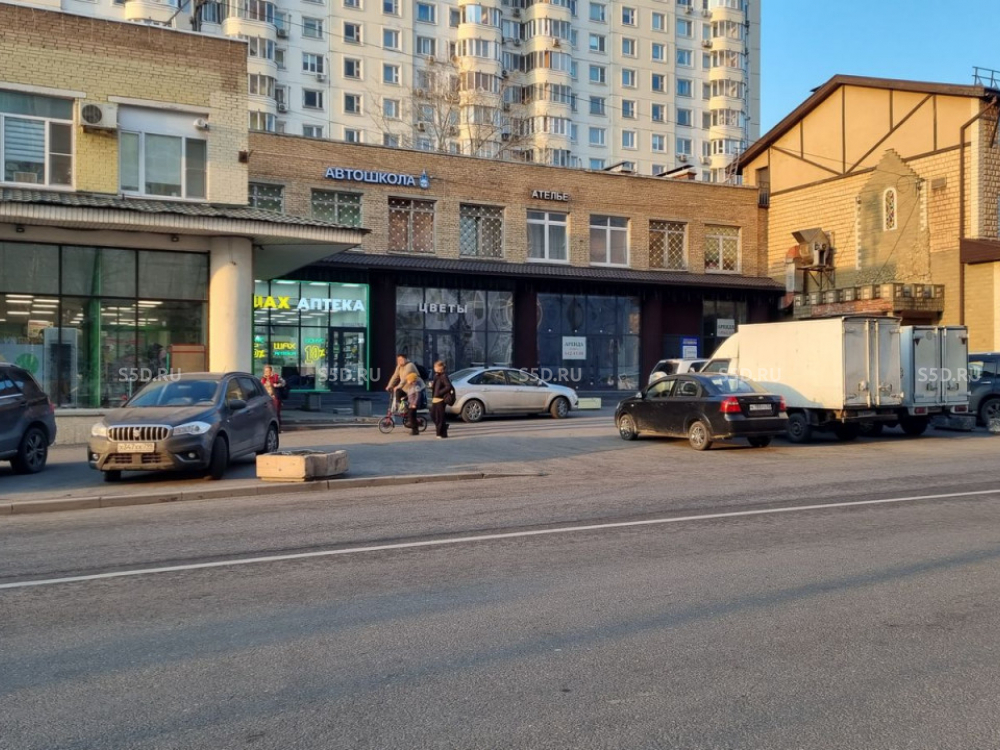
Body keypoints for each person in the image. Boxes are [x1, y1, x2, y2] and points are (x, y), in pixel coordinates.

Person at [430, 360, 453, 439]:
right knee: (433, 415)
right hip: (435, 398)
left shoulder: (444, 376)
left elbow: (448, 386)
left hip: (440, 399)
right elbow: (436, 386)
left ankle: (439, 433)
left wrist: (439, 392)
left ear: (440, 367)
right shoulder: (436, 376)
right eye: (434, 366)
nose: (434, 368)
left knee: (439, 417)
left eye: (436, 366)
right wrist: (432, 386)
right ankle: (444, 429)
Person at [401, 371, 425, 435]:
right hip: (410, 404)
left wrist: (415, 403)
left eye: (408, 380)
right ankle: (415, 427)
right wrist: (405, 397)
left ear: (412, 380)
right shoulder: (411, 386)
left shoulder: (416, 386)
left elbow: (418, 396)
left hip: (413, 405)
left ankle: (415, 430)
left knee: (412, 417)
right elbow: (410, 394)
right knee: (411, 416)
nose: (407, 381)